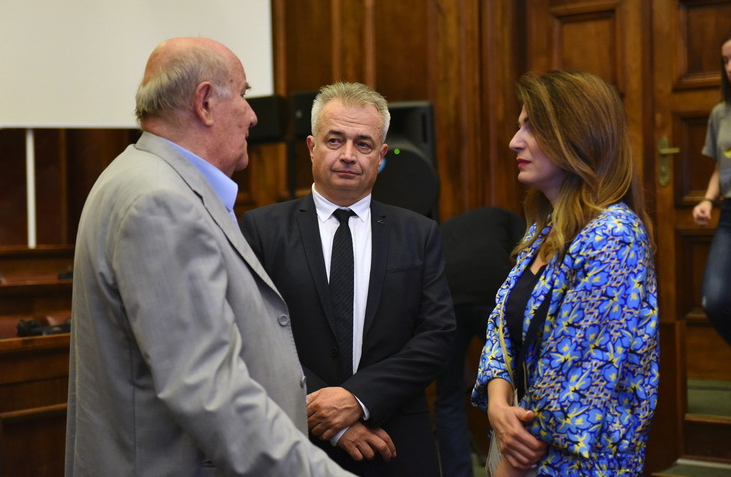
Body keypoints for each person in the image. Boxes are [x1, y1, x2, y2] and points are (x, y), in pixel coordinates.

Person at [64, 37, 354, 477]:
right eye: (243, 93)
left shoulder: (144, 176)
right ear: (204, 103)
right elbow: (208, 388)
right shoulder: (161, 202)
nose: (253, 115)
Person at [240, 82, 455, 476]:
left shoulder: (419, 233)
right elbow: (253, 334)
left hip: (394, 444)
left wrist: (358, 399)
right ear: (311, 147)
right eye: (335, 140)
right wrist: (331, 420)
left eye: (363, 144)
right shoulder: (261, 230)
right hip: (293, 441)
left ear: (381, 156)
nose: (348, 155)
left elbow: (437, 336)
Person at [471, 70, 659, 476]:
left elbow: (571, 389)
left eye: (531, 127)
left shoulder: (614, 236)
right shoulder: (543, 229)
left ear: (577, 137)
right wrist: (498, 405)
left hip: (573, 463)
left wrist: (507, 468)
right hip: (515, 442)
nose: (514, 141)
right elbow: (501, 328)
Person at [434, 206, 525, 477]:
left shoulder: (444, 228)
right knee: (515, 383)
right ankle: (515, 462)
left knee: (448, 397)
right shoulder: (506, 218)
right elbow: (526, 258)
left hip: (446, 300)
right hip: (491, 292)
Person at [692, 27, 731, 417]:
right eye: (725, 61)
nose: (730, 67)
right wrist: (708, 201)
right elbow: (720, 170)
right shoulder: (720, 112)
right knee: (715, 300)